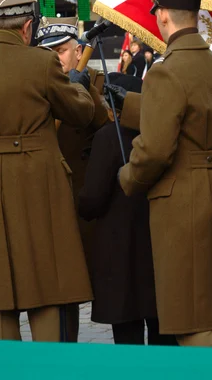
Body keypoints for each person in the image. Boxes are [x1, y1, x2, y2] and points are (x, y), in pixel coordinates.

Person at [0, 0, 94, 342]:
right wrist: (78, 86)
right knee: (46, 291)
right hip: (39, 187)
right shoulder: (42, 63)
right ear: (27, 28)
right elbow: (81, 113)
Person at [117, 0, 212, 348]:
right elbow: (194, 114)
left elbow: (156, 149)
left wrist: (128, 177)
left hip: (184, 199)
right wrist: (130, 105)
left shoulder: (165, 70)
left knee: (192, 313)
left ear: (163, 16)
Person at [78, 73, 176, 346]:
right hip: (157, 244)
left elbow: (93, 197)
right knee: (163, 332)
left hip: (119, 249)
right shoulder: (160, 135)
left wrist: (80, 206)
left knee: (127, 337)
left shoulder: (108, 138)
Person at [36, 17, 109, 341]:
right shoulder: (36, 83)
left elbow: (105, 127)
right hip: (46, 198)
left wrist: (81, 91)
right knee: (53, 288)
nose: (56, 58)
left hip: (84, 201)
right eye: (48, 51)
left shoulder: (95, 81)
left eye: (62, 51)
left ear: (78, 50)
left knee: (85, 284)